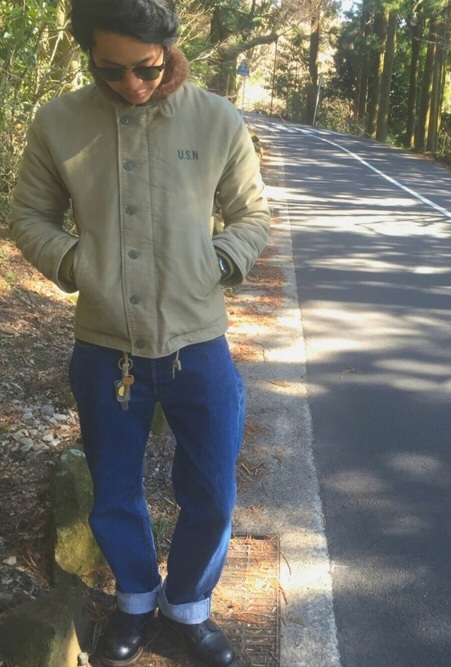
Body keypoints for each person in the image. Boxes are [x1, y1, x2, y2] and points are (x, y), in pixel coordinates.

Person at [8, 1, 270, 665]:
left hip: (199, 346)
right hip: (105, 348)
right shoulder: (59, 122)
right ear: (89, 55)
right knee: (114, 488)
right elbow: (30, 215)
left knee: (211, 488)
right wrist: (79, 265)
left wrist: (217, 261)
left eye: (147, 68)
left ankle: (189, 606)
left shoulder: (217, 119)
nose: (132, 84)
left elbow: (252, 216)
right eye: (111, 70)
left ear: (170, 47)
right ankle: (134, 599)